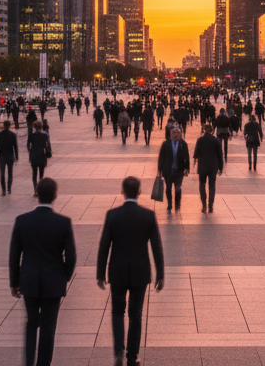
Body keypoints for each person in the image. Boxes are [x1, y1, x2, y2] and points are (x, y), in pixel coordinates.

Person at [96, 176, 165, 366]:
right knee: (136, 314)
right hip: (140, 272)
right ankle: (132, 357)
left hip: (117, 271)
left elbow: (104, 246)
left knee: (117, 312)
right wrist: (160, 274)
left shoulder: (112, 215)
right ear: (140, 192)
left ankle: (118, 350)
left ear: (122, 191)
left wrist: (100, 273)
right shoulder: (148, 216)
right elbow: (156, 247)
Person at [9, 178, 76, 366]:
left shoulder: (22, 221)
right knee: (48, 326)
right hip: (53, 281)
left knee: (31, 322)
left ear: (37, 194)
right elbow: (71, 257)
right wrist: (64, 276)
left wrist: (14, 281)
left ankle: (29, 361)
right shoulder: (63, 222)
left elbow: (14, 255)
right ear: (55, 195)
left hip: (29, 280)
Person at [156, 128, 190, 214]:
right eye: (173, 133)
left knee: (178, 188)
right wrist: (160, 169)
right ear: (170, 134)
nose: (175, 135)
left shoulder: (183, 144)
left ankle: (177, 204)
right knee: (168, 188)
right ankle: (170, 204)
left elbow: (187, 157)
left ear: (180, 134)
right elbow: (161, 157)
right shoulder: (165, 144)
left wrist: (187, 168)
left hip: (179, 170)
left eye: (177, 133)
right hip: (168, 170)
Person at [193, 124, 224, 214]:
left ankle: (204, 205)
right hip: (213, 167)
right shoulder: (216, 140)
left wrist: (196, 160)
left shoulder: (200, 140)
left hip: (202, 166)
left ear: (204, 130)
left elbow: (196, 154)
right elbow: (220, 155)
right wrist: (220, 167)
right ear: (212, 130)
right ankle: (210, 205)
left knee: (202, 185)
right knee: (212, 186)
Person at [0, 120, 20, 196]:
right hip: (10, 156)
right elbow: (15, 147)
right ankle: (9, 189)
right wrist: (16, 156)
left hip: (1, 156)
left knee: (2, 173)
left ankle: (3, 190)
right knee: (10, 173)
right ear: (10, 125)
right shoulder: (12, 134)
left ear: (3, 125)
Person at [27, 121, 53, 196]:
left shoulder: (31, 135)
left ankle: (35, 190)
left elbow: (28, 145)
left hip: (34, 156)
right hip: (42, 156)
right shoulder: (44, 136)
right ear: (41, 127)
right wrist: (49, 152)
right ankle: (40, 190)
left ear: (34, 127)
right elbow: (47, 145)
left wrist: (30, 152)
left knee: (34, 174)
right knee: (41, 174)